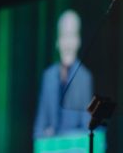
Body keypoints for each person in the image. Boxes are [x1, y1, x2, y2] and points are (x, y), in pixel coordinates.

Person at [33, 9, 93, 139]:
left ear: (78, 41)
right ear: (57, 42)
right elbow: (38, 129)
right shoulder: (48, 76)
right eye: (64, 36)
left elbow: (86, 129)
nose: (67, 43)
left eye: (72, 36)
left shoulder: (84, 78)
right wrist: (45, 135)